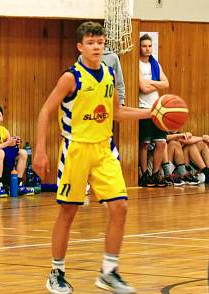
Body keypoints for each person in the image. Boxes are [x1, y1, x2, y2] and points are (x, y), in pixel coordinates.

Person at [34, 21, 156, 294]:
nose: (96, 47)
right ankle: (56, 271)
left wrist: (151, 113)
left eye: (100, 42)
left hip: (104, 149)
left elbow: (118, 113)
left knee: (120, 207)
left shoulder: (110, 75)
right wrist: (40, 150)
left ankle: (109, 272)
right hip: (76, 149)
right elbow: (45, 111)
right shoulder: (71, 77)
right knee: (68, 211)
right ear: (80, 47)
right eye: (91, 43)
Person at [137, 33, 169, 185]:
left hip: (157, 108)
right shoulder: (136, 64)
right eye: (144, 46)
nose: (147, 48)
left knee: (161, 142)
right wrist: (156, 83)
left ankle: (156, 174)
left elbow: (166, 84)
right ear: (140, 47)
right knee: (144, 143)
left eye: (150, 46)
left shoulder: (155, 64)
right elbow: (142, 88)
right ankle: (144, 175)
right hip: (143, 108)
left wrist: (150, 81)